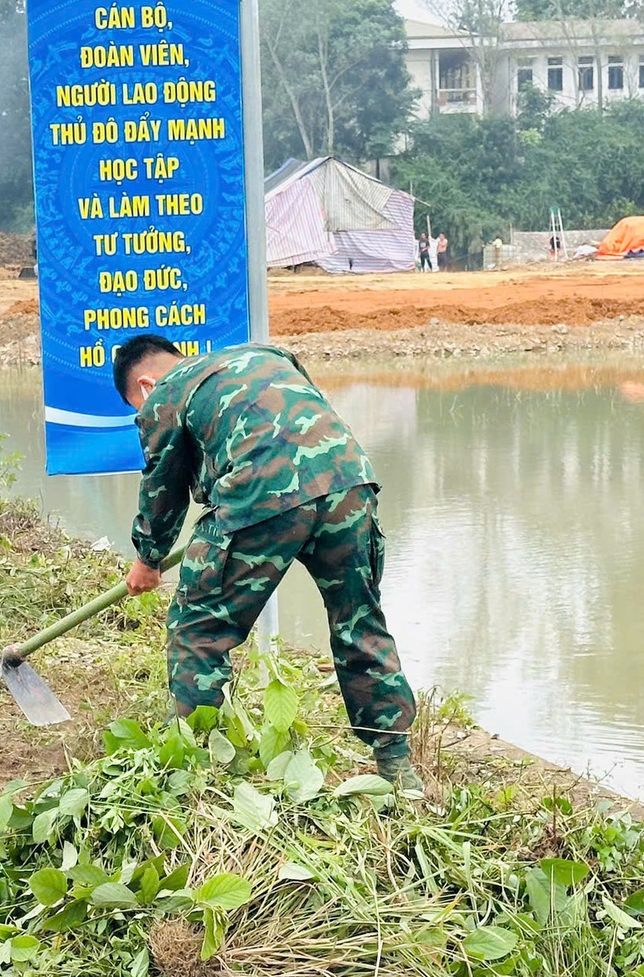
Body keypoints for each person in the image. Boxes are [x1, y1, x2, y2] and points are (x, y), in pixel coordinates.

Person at [111, 334, 423, 794]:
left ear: (146, 383)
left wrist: (147, 558)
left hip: (263, 497)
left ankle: (190, 768)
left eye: (136, 402)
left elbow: (163, 489)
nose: (142, 409)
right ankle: (396, 765)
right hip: (348, 483)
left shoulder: (167, 393)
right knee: (358, 619)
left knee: (198, 626)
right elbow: (298, 425)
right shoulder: (266, 355)